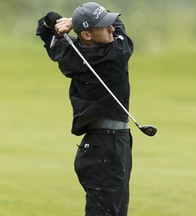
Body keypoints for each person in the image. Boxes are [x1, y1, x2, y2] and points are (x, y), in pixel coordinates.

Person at [36, 2, 133, 216]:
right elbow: (119, 23)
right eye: (104, 27)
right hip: (110, 146)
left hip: (97, 146)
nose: (111, 29)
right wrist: (74, 21)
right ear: (87, 35)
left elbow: (44, 32)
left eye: (108, 24)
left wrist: (52, 20)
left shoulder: (71, 55)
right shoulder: (118, 51)